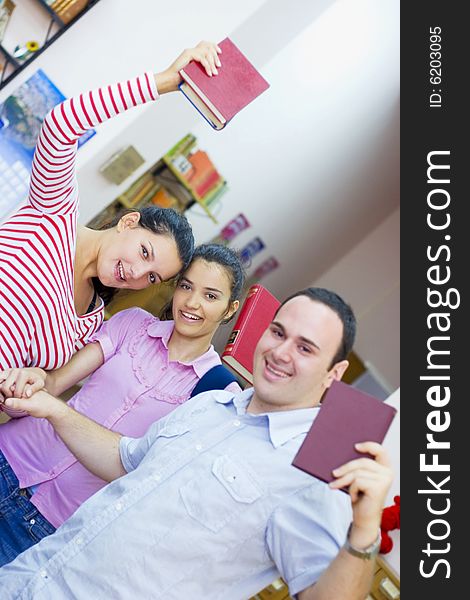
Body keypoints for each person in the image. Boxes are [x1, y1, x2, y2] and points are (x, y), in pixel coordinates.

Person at [0, 288, 393, 600]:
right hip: (29, 577)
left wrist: (363, 532)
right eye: (278, 332)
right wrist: (54, 408)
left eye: (305, 348)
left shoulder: (313, 474)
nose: (280, 352)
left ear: (335, 373)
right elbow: (125, 461)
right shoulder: (210, 404)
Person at [0, 243, 244, 565]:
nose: (192, 303)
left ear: (230, 309)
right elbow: (56, 382)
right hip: (9, 458)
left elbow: (151, 474)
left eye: (211, 296)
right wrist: (26, 383)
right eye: (186, 286)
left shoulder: (218, 393)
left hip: (48, 526)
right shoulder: (133, 324)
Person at [0, 40, 224, 373]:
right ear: (128, 222)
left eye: (151, 277)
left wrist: (25, 385)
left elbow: (28, 395)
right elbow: (63, 124)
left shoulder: (89, 321)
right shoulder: (55, 215)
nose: (136, 274)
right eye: (145, 253)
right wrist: (164, 81)